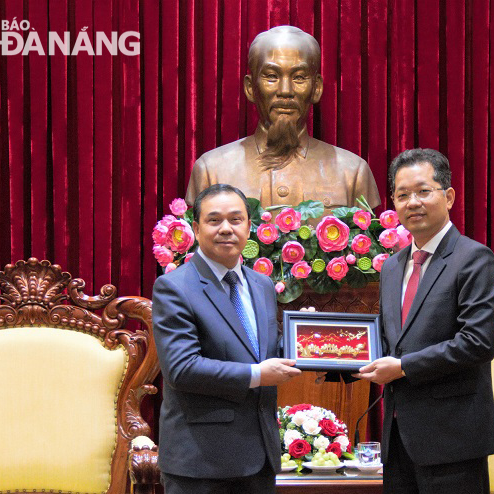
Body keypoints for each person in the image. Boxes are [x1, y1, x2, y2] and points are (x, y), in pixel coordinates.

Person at [355, 148, 494, 493]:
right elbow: (389, 341)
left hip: (453, 438)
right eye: (402, 195)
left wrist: (403, 366)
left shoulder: (473, 259)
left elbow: (478, 343)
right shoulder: (392, 266)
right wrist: (338, 358)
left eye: (423, 191)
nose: (412, 202)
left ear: (448, 196)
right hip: (398, 437)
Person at [152, 183, 302, 494]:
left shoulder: (260, 285)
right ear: (195, 227)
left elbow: (263, 350)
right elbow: (182, 369)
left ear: (249, 226)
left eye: (235, 220)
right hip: (201, 462)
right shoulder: (174, 287)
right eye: (213, 220)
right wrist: (258, 375)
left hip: (259, 458)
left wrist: (308, 339)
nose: (226, 229)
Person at [185, 25, 380, 212]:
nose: (285, 91)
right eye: (271, 76)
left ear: (317, 88)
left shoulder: (352, 172)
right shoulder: (211, 170)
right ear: (250, 88)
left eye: (299, 77)